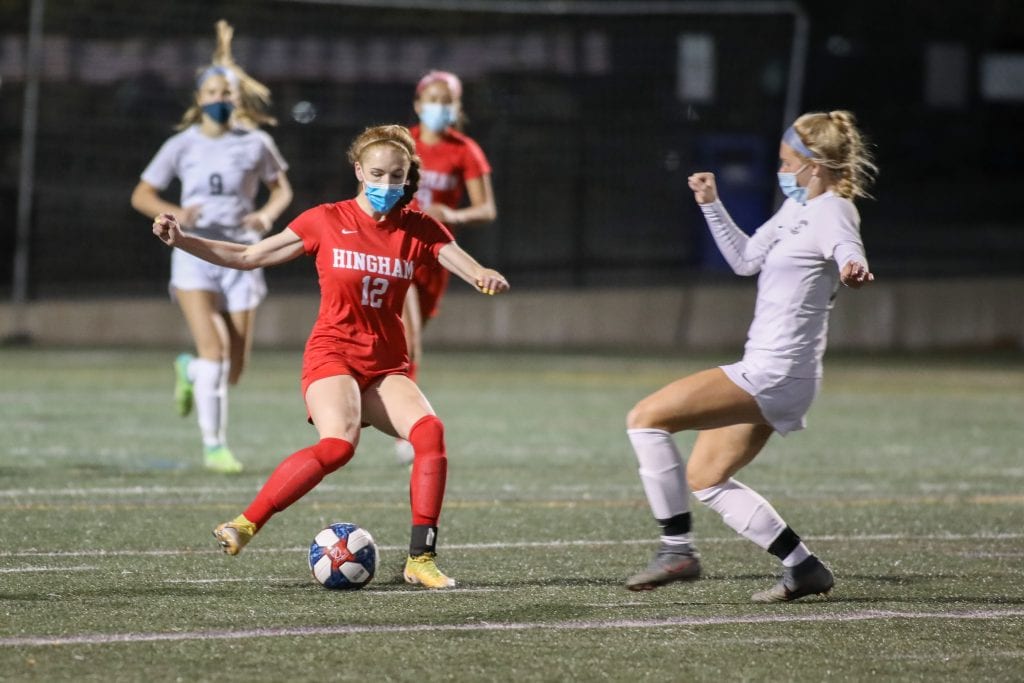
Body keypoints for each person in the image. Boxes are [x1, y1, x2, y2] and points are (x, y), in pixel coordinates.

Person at [151, 124, 510, 589]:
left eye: (396, 176)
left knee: (430, 431)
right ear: (359, 170)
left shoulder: (418, 227)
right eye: (376, 174)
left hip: (384, 363)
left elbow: (462, 261)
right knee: (339, 445)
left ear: (407, 177)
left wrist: (484, 275)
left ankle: (420, 559)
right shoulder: (324, 220)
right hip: (333, 355)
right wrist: (183, 240)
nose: (386, 185)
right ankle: (244, 524)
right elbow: (247, 256)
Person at [624, 110, 877, 602]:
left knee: (645, 419)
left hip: (774, 371)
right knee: (706, 477)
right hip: (775, 372)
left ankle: (676, 550)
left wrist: (853, 266)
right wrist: (712, 204)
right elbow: (745, 261)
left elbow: (848, 246)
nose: (782, 171)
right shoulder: (796, 211)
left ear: (815, 166)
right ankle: (803, 568)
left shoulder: (832, 210)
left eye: (788, 163)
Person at [131, 20, 293, 473]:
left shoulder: (256, 142)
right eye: (213, 94)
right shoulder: (181, 144)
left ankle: (188, 368)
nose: (220, 100)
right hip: (194, 255)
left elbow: (282, 190)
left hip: (243, 255)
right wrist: (174, 214)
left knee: (233, 368)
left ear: (237, 101)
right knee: (216, 353)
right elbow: (141, 195)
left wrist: (265, 214)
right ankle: (214, 445)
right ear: (199, 100)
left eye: (228, 95)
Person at [395, 70, 498, 464]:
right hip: (399, 249)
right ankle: (408, 429)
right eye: (432, 99)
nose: (439, 107)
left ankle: (382, 398)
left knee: (407, 343)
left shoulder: (465, 150)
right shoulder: (402, 142)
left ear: (456, 107)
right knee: (410, 339)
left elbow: (487, 209)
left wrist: (451, 214)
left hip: (436, 256)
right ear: (419, 105)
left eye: (447, 100)